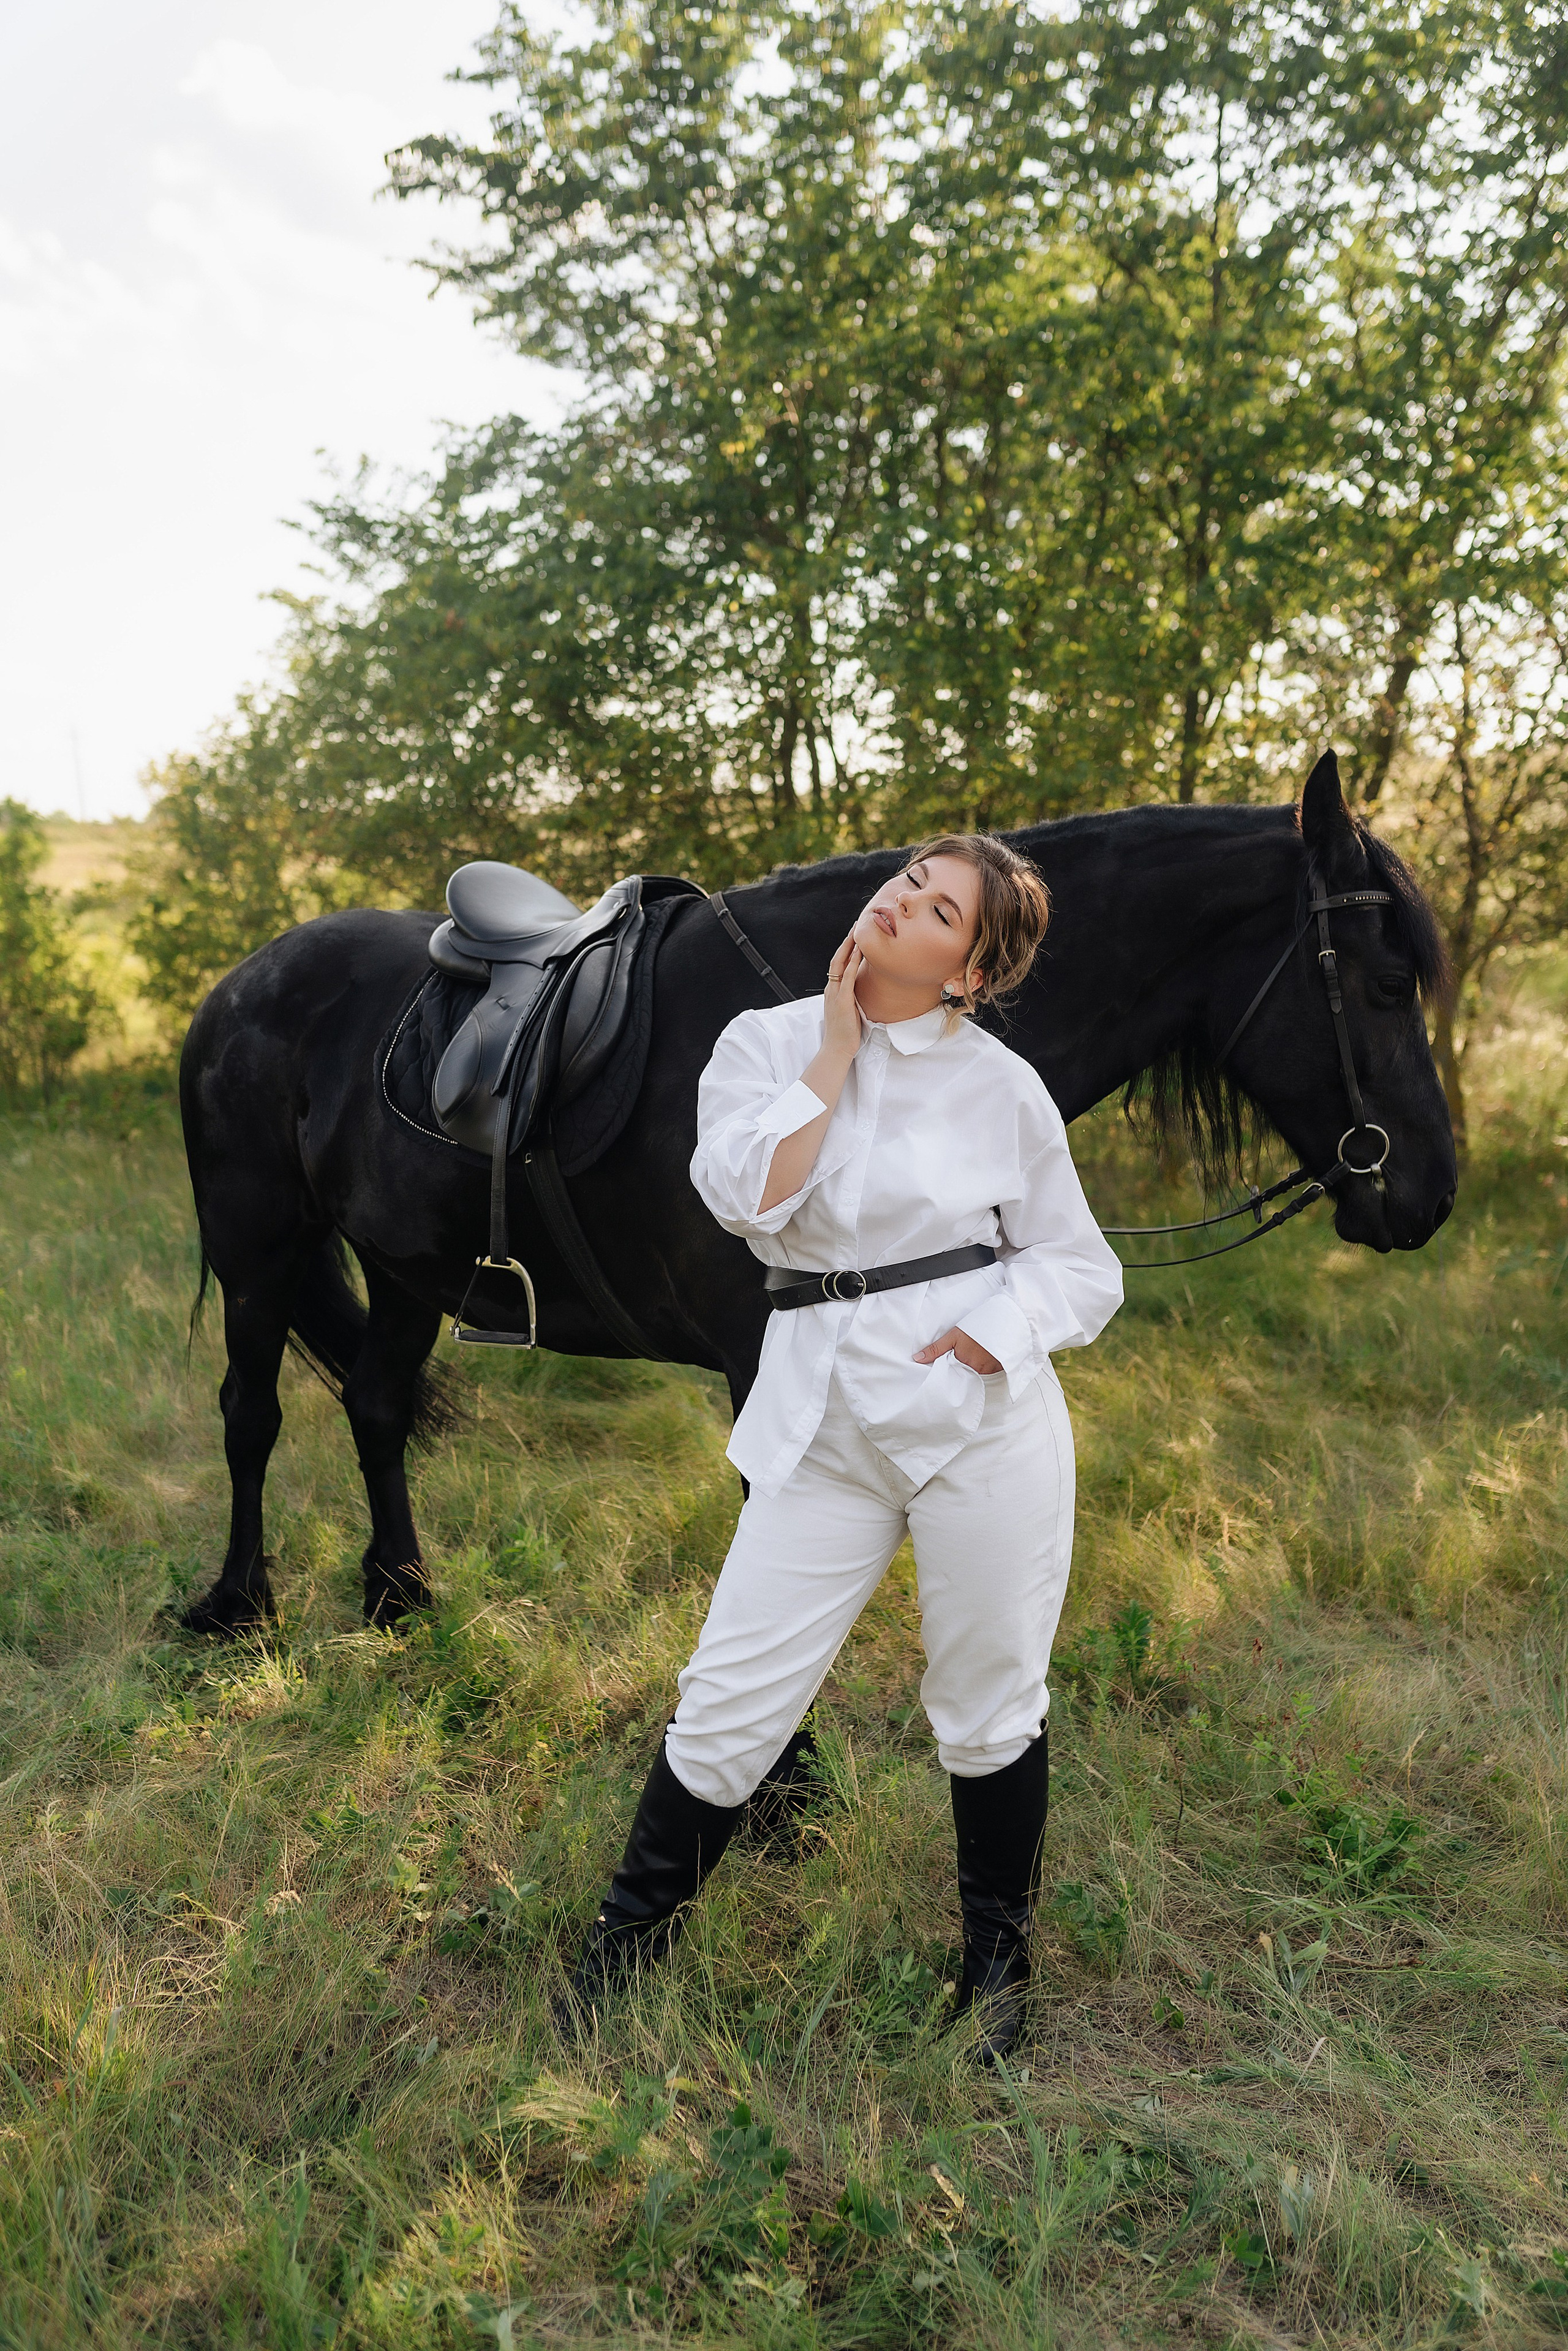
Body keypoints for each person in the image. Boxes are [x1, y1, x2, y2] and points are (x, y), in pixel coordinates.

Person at [558, 833, 1124, 2056]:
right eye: (907, 881)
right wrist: (831, 1049)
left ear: (969, 972)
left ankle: (997, 1972)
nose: (899, 903)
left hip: (979, 1423)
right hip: (819, 1417)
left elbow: (1079, 1265)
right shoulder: (762, 1044)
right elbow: (744, 1199)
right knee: (730, 1690)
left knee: (986, 1698)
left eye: (938, 910)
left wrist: (989, 1338)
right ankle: (622, 1947)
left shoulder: (1001, 1088)